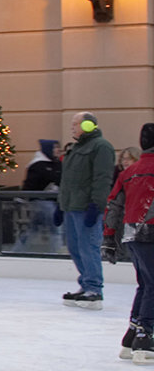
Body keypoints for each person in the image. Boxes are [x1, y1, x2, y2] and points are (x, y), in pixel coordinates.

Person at [106, 124, 154, 364]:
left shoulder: (129, 172)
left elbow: (113, 203)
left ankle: (132, 336)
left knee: (145, 284)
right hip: (150, 232)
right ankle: (145, 338)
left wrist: (109, 237)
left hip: (132, 233)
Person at [61, 112, 115, 309]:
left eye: (75, 124)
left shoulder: (101, 147)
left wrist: (96, 205)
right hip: (71, 206)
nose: (72, 128)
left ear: (87, 125)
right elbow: (67, 181)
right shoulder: (76, 148)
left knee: (88, 247)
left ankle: (94, 288)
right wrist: (61, 205)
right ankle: (85, 284)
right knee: (75, 248)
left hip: (86, 207)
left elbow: (102, 179)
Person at [12, 139, 62, 252]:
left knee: (33, 229)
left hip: (53, 201)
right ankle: (57, 253)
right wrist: (23, 198)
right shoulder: (37, 165)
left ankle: (17, 250)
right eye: (55, 147)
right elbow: (29, 185)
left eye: (58, 147)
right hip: (41, 202)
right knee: (55, 228)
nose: (58, 150)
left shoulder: (57, 164)